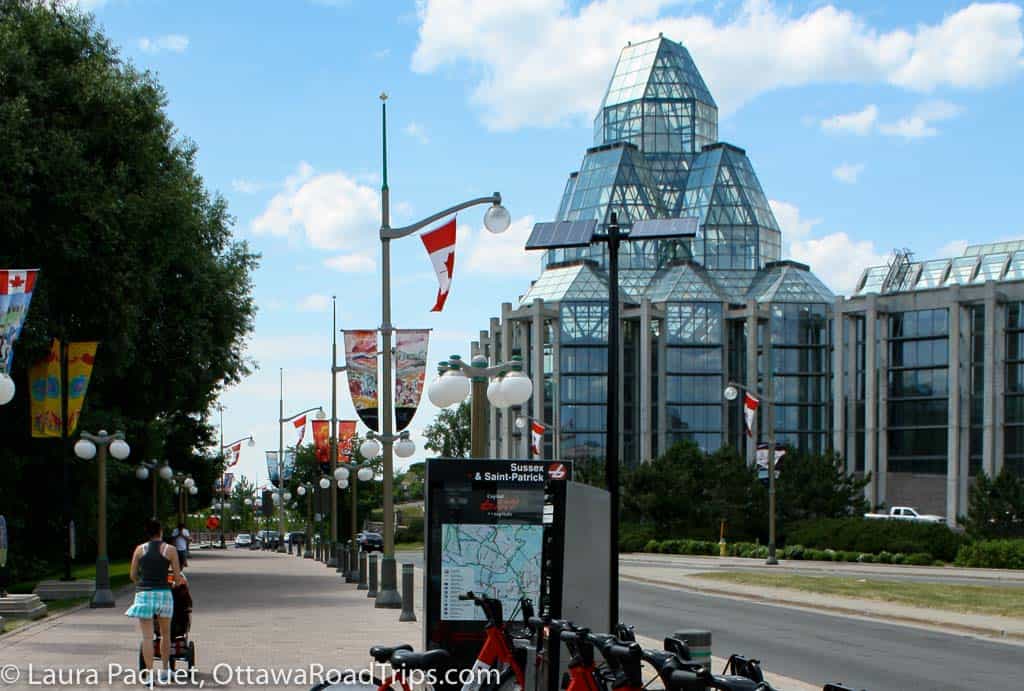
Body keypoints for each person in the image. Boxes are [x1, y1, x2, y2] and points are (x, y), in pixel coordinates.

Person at [126, 519, 184, 679]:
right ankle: (165, 670)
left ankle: (149, 674)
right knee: (166, 634)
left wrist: (141, 584)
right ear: (160, 531)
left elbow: (132, 575)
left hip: (144, 594)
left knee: (147, 637)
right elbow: (178, 578)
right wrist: (173, 584)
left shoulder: (139, 550)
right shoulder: (170, 550)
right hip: (163, 593)